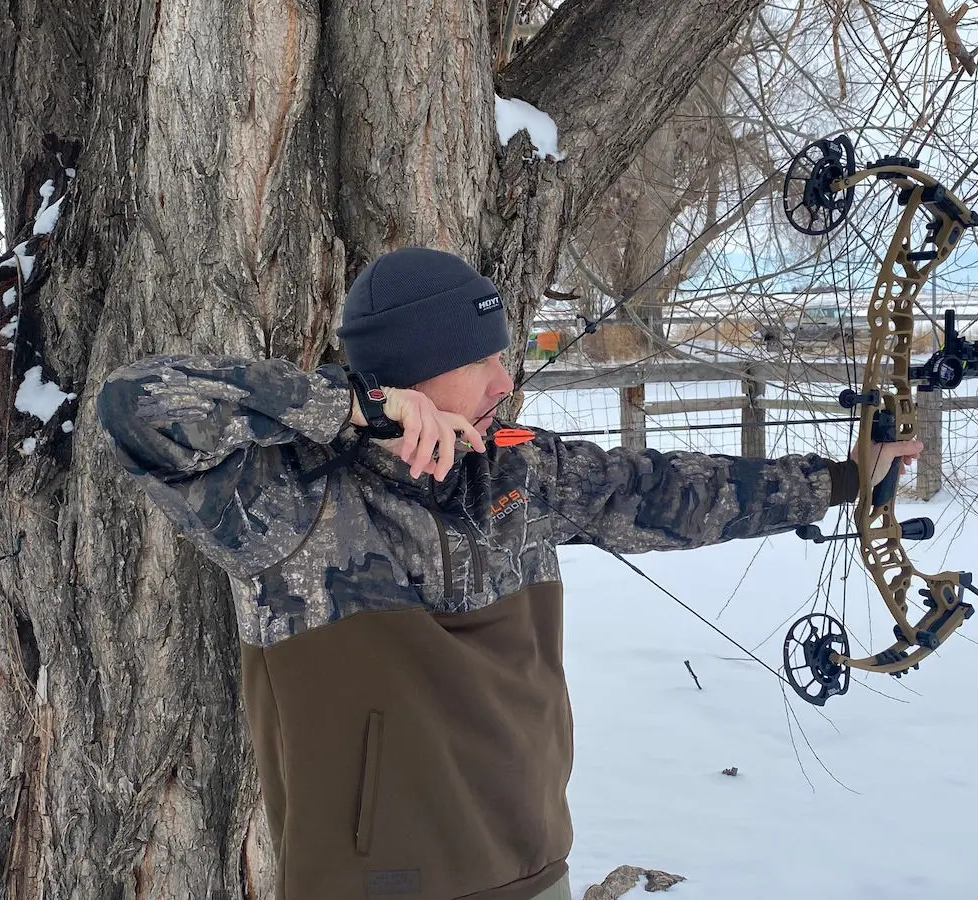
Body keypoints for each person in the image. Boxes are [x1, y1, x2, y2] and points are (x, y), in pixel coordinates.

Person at [96, 247, 921, 900]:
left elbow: (676, 492)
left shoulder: (519, 477)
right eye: (481, 360)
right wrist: (347, 410)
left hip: (536, 869)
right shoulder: (284, 500)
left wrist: (848, 478)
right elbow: (135, 407)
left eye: (506, 356)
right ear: (407, 377)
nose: (505, 381)